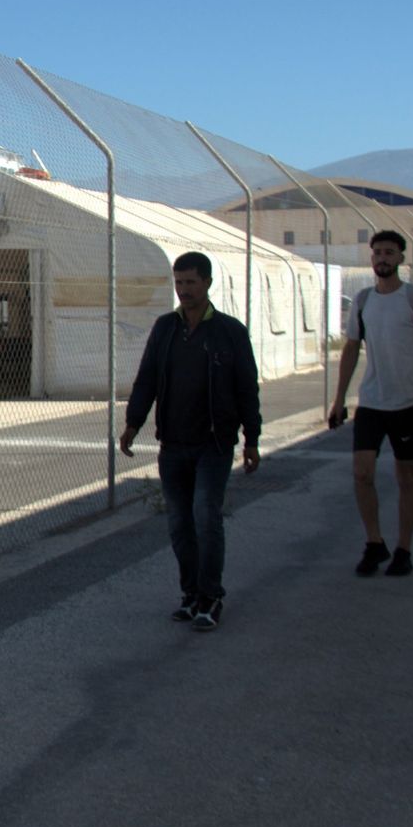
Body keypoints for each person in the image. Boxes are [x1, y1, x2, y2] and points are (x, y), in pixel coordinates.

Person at [120, 251, 261, 631]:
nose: (184, 290)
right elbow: (147, 378)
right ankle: (191, 594)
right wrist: (133, 422)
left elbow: (247, 387)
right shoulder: (166, 328)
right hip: (174, 445)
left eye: (191, 282)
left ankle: (211, 595)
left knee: (205, 516)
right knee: (179, 524)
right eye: (179, 283)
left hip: (214, 445)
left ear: (208, 283)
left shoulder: (229, 332)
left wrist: (252, 438)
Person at [327, 229, 413, 577]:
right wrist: (339, 399)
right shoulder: (363, 300)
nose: (382, 258)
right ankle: (375, 543)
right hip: (371, 402)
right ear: (372, 259)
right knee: (362, 473)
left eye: (389, 252)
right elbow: (351, 347)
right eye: (377, 252)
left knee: (406, 475)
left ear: (400, 259)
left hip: (408, 401)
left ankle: (404, 549)